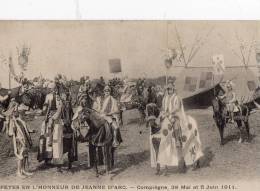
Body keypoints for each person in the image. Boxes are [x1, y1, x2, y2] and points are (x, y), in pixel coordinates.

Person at [154, 82, 203, 175]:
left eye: (170, 89)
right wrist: (162, 114)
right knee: (162, 123)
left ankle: (178, 139)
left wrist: (170, 113)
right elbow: (163, 108)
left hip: (176, 116)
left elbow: (177, 107)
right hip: (167, 116)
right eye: (167, 89)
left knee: (176, 123)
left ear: (173, 89)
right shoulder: (165, 98)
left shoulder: (177, 97)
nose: (169, 91)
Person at [7, 100, 33, 178]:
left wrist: (30, 131)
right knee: (20, 155)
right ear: (13, 108)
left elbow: (23, 127)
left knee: (25, 154)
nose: (17, 109)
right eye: (16, 107)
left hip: (23, 138)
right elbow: (11, 132)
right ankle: (18, 172)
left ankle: (23, 170)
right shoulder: (12, 119)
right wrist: (16, 136)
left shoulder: (18, 118)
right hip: (18, 140)